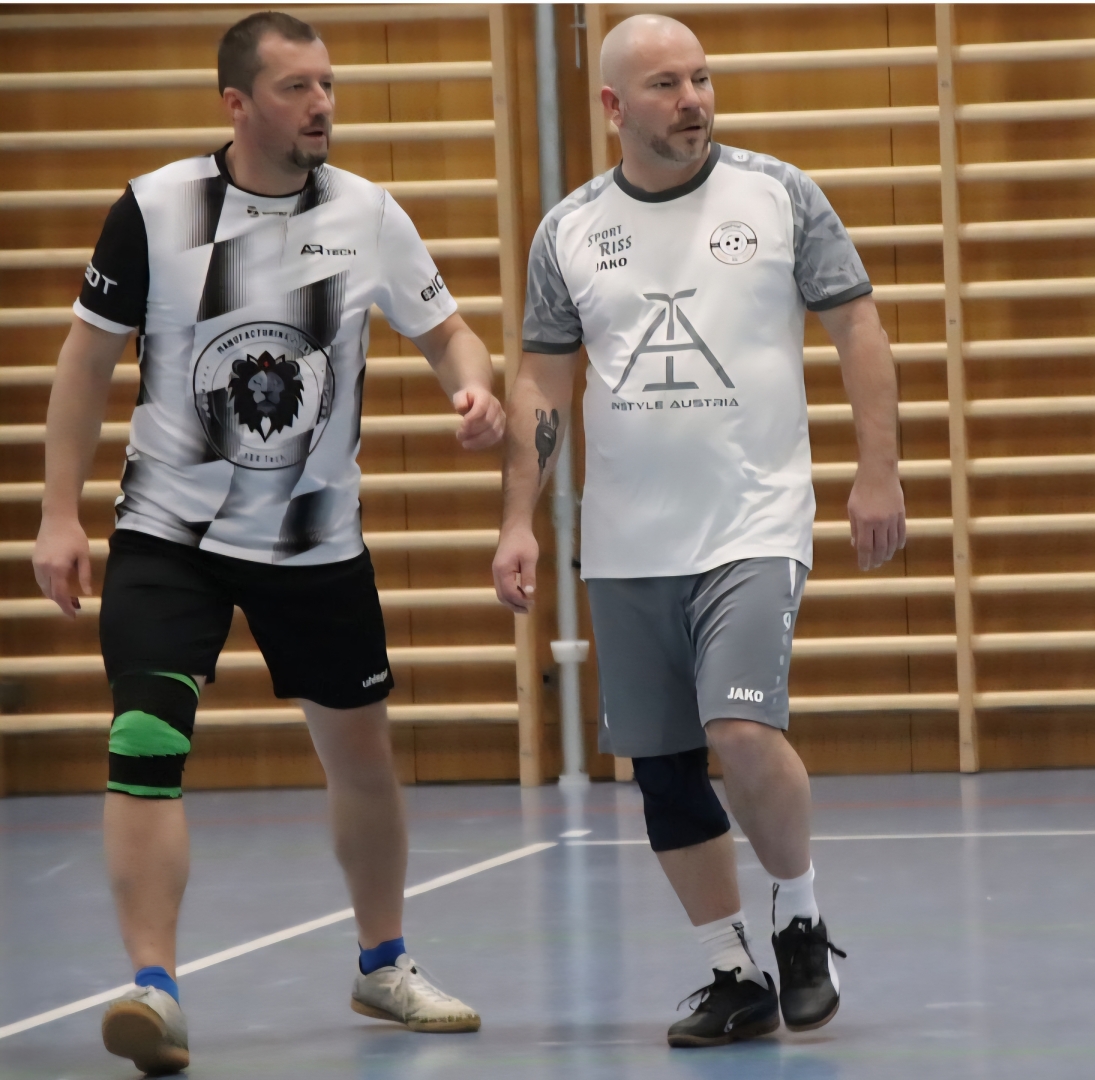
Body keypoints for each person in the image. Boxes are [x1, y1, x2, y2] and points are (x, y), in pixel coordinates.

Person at [31, 13, 498, 1075]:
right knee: (145, 739)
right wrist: (59, 513)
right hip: (171, 533)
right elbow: (85, 362)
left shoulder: (368, 214)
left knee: (360, 757)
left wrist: (470, 388)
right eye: (296, 88)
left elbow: (449, 330)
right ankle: (154, 990)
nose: (321, 105)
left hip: (314, 538)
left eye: (327, 84)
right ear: (237, 104)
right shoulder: (155, 209)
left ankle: (383, 962)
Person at [493, 13, 905, 1048]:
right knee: (667, 768)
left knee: (739, 728)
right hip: (627, 541)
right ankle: (733, 972)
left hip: (753, 522)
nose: (693, 101)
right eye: (667, 85)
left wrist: (879, 471)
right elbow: (542, 380)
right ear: (612, 106)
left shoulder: (778, 195)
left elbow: (857, 328)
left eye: (702, 79)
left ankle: (800, 919)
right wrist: (518, 521)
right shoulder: (570, 231)